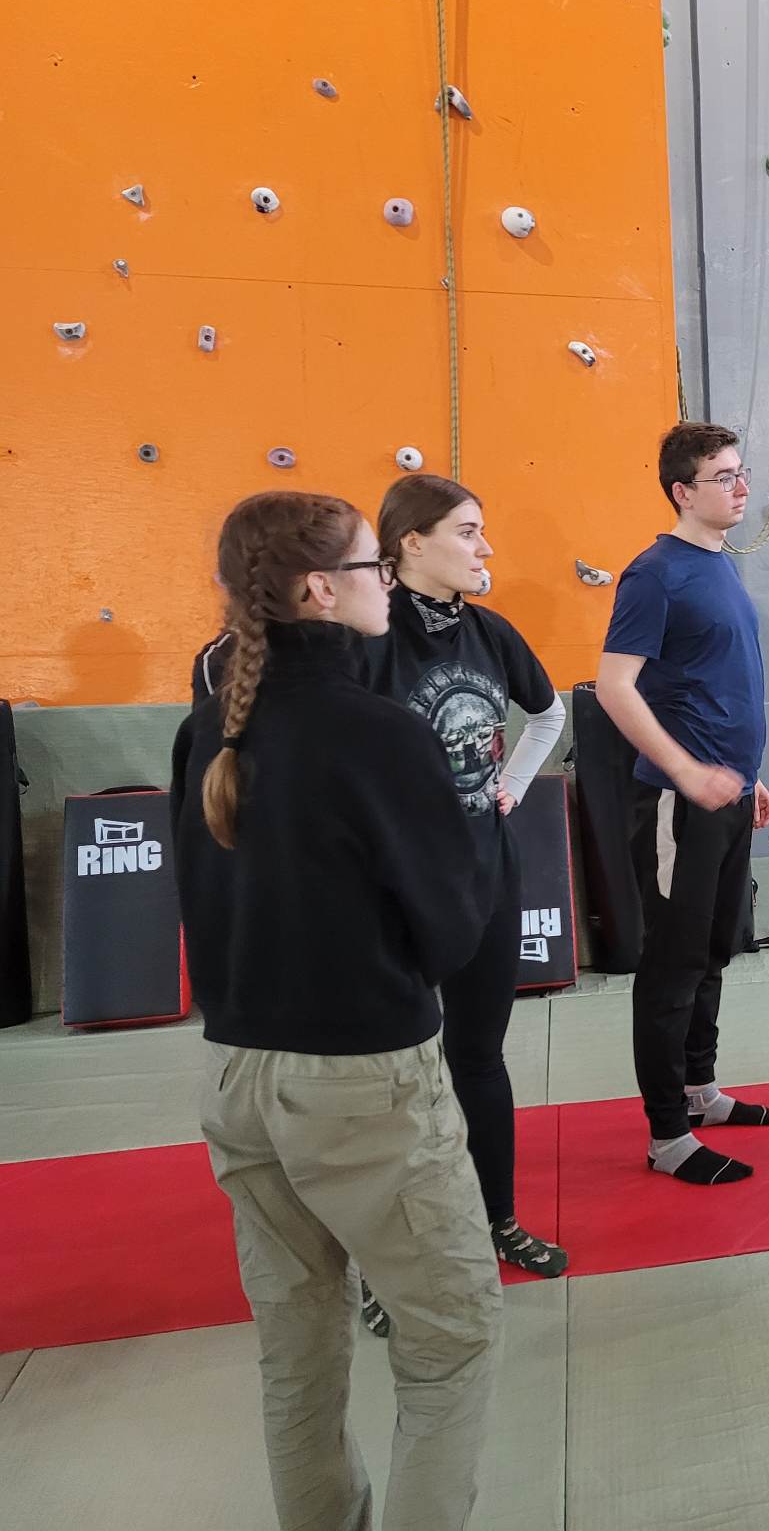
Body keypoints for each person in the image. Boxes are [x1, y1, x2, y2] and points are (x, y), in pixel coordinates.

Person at [172, 491, 500, 1529]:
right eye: (373, 568)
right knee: (451, 1340)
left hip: (238, 1074)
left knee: (298, 1350)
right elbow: (450, 929)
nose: (386, 586)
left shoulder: (208, 728)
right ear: (321, 588)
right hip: (361, 1080)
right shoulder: (379, 734)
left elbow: (199, 909)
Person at [360, 474, 570, 1274]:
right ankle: (386, 1255)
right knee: (390, 1073)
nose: (485, 547)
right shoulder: (366, 637)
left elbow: (548, 711)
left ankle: (496, 1219)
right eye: (468, 531)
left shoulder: (489, 631)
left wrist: (508, 785)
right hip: (394, 888)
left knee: (479, 1055)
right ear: (412, 541)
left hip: (484, 869)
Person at [596, 422, 769, 1188]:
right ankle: (667, 1134)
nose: (742, 488)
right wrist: (685, 770)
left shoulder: (718, 565)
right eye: (723, 477)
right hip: (679, 800)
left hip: (728, 791)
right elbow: (615, 685)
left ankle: (700, 1091)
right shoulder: (655, 574)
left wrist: (746, 775)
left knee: (712, 951)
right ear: (682, 491)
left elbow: (709, 683)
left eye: (742, 472)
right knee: (672, 966)